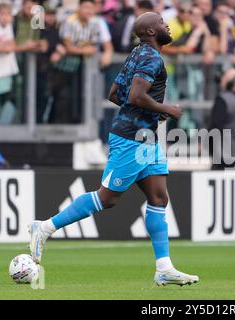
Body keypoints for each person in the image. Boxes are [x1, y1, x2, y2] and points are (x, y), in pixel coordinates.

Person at [28, 12, 199, 287]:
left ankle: (164, 268)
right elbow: (134, 96)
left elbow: (115, 95)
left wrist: (149, 112)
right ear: (151, 32)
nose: (167, 25)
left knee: (158, 198)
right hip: (131, 138)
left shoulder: (136, 54)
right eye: (161, 23)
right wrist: (164, 108)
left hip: (146, 138)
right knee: (107, 198)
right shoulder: (151, 57)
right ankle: (45, 227)